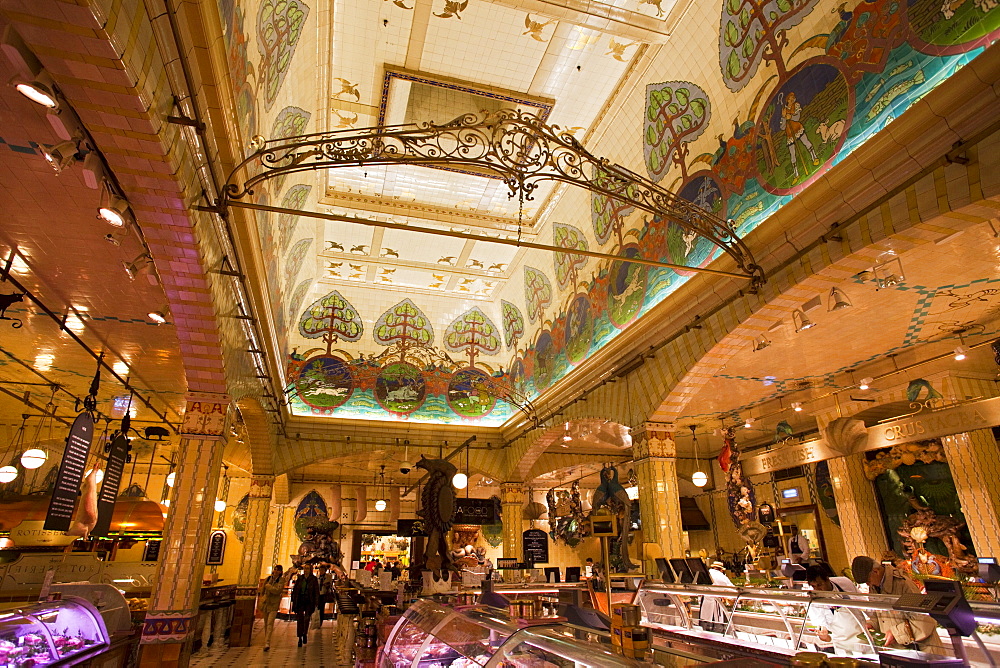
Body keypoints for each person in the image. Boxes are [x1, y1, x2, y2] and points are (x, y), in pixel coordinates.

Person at [851, 556, 944, 653]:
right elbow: (881, 616)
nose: (868, 585)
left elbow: (923, 620)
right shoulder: (874, 588)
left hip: (922, 650)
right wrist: (872, 625)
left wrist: (895, 633)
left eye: (868, 581)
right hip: (898, 651)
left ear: (876, 571)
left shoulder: (903, 584)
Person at [805, 564, 865, 654]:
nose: (817, 589)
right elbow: (824, 636)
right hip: (843, 646)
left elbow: (862, 602)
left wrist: (872, 621)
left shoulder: (844, 582)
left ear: (827, 579)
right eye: (814, 586)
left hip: (864, 638)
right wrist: (824, 636)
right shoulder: (814, 601)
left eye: (819, 585)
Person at [258, 564, 289, 651]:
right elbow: (262, 590)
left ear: (280, 572)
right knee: (266, 622)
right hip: (266, 603)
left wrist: (269, 587)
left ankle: (267, 642)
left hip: (274, 604)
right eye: (275, 569)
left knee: (270, 623)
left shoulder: (281, 580)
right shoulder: (268, 579)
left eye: (277, 570)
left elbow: (277, 590)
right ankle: (266, 640)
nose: (275, 571)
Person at [699, 561, 734, 633]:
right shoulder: (722, 577)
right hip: (716, 602)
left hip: (705, 602)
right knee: (717, 626)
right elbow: (732, 590)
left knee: (704, 624)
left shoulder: (705, 574)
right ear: (721, 570)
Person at [290, 563, 320, 647]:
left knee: (307, 618)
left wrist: (316, 602)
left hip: (309, 601)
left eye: (308, 568)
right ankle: (299, 637)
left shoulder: (313, 579)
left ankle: (305, 633)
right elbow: (295, 590)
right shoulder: (300, 578)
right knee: (300, 619)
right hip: (300, 600)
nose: (306, 570)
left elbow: (316, 591)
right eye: (305, 568)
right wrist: (293, 600)